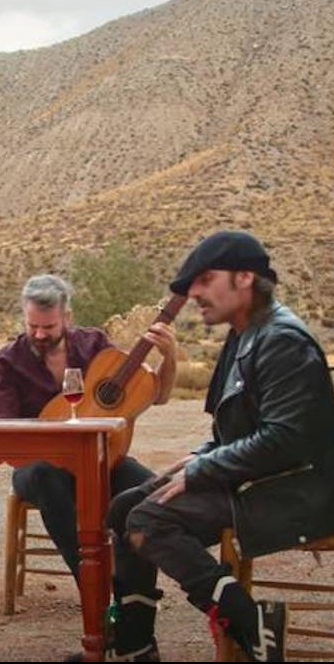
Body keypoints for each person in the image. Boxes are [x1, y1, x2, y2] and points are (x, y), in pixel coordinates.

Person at [94, 231, 334, 661]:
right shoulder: (244, 334)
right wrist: (203, 454)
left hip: (297, 491)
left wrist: (204, 468)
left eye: (205, 279)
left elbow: (286, 439)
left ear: (245, 277)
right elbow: (238, 430)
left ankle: (250, 624)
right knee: (122, 508)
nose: (195, 294)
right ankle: (135, 647)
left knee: (148, 521)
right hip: (256, 477)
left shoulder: (281, 340)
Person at [0, 274, 177, 579]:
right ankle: (94, 580)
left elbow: (159, 396)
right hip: (39, 467)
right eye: (31, 325)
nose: (38, 334)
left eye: (48, 327)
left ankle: (134, 588)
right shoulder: (7, 362)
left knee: (151, 490)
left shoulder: (95, 346)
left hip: (102, 459)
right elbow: (4, 430)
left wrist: (169, 357)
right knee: (45, 476)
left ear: (67, 317)